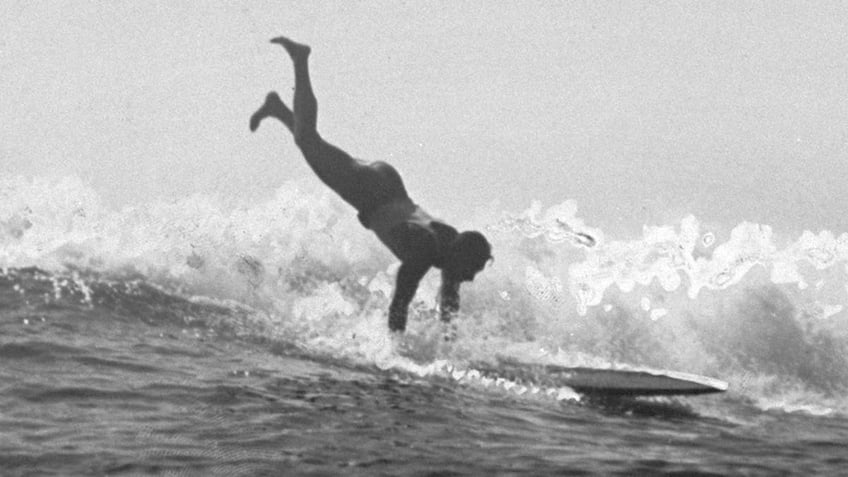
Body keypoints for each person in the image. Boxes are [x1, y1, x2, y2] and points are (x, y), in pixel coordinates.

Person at [250, 36, 492, 333]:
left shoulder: (450, 246)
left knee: (313, 146)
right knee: (308, 139)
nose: (470, 279)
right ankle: (300, 60)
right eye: (472, 270)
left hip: (387, 187)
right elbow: (399, 306)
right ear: (460, 257)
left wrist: (449, 343)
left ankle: (278, 109)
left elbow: (449, 309)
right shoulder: (425, 251)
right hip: (370, 193)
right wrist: (397, 358)